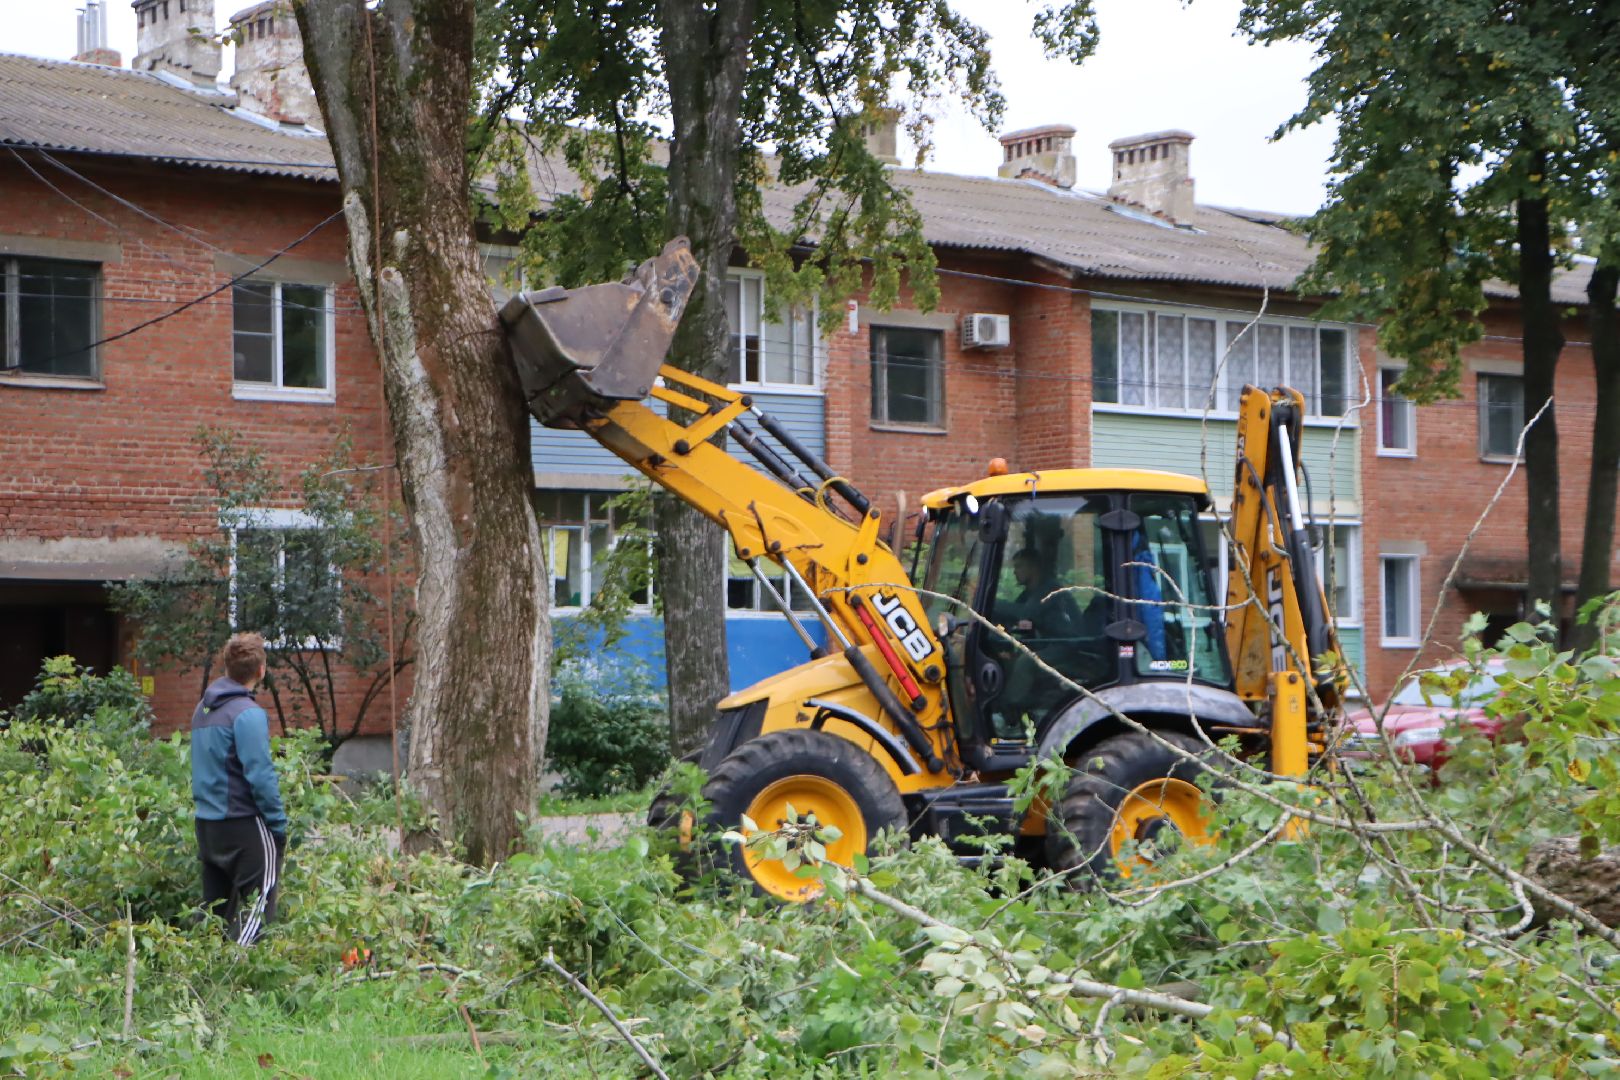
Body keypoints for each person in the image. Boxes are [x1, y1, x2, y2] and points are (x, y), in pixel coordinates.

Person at [191, 632, 287, 945]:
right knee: (258, 906)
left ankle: (201, 974)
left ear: (227, 668)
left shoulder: (202, 710)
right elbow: (260, 775)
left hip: (207, 825)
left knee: (215, 912)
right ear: (261, 670)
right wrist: (278, 825)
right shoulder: (248, 714)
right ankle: (236, 975)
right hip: (243, 824)